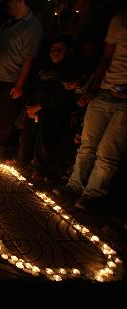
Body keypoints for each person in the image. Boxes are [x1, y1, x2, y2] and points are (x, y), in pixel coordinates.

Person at [54, 11, 127, 210]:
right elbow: (106, 57)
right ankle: (74, 186)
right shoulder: (119, 19)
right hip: (103, 91)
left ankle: (92, 195)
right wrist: (92, 86)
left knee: (108, 151)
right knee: (87, 145)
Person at [0, 0, 43, 159]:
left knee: (5, 116)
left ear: (21, 2)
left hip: (11, 80)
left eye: (11, 1)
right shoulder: (9, 23)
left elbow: (28, 57)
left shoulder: (32, 26)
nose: (8, 4)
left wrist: (20, 84)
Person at [17, 36, 78, 181]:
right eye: (53, 49)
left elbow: (61, 96)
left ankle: (40, 168)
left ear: (68, 52)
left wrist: (39, 107)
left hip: (52, 111)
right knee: (26, 134)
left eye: (60, 49)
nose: (55, 52)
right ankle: (22, 161)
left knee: (45, 138)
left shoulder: (68, 72)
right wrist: (29, 106)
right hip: (32, 108)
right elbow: (30, 86)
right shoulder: (41, 67)